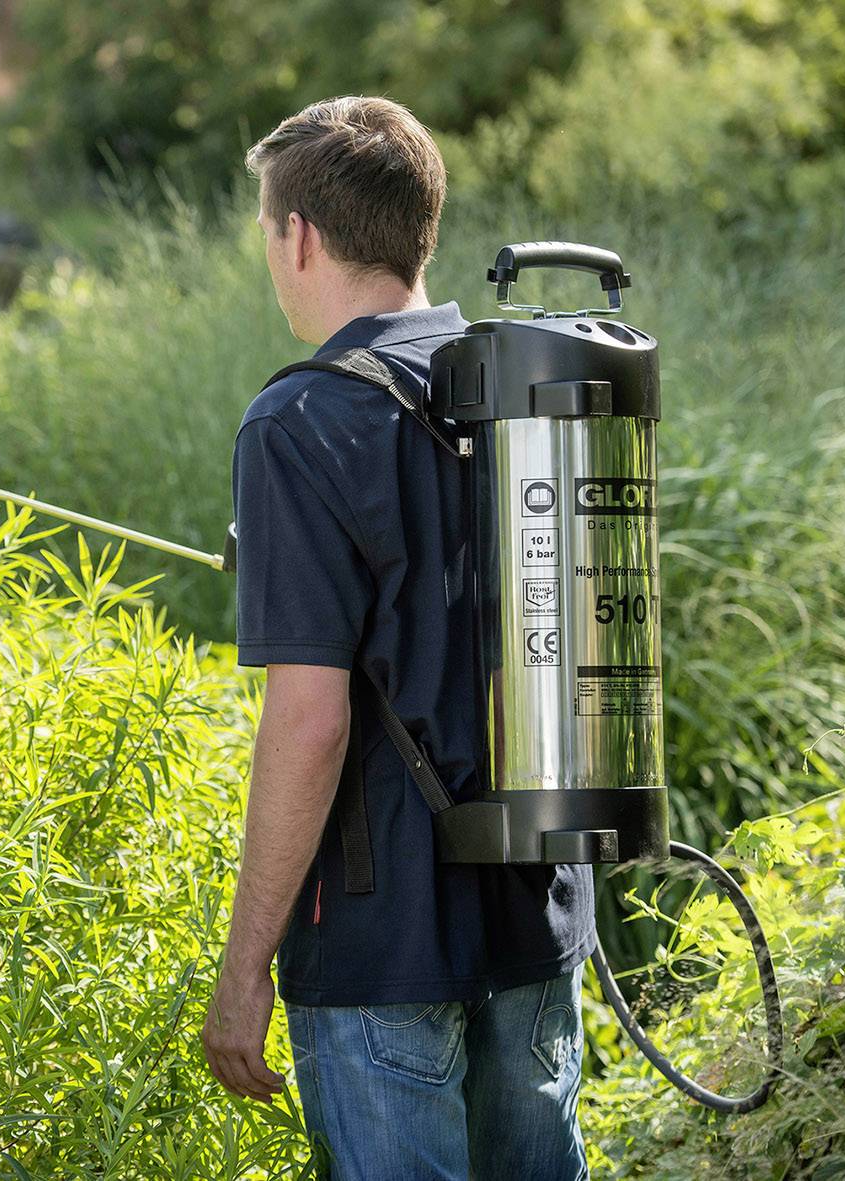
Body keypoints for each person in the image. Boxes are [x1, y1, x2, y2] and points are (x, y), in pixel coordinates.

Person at [199, 96, 594, 1181]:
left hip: (380, 956)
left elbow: (311, 719)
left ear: (301, 236)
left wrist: (244, 967)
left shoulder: (295, 423)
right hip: (537, 917)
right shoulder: (529, 382)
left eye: (266, 230)